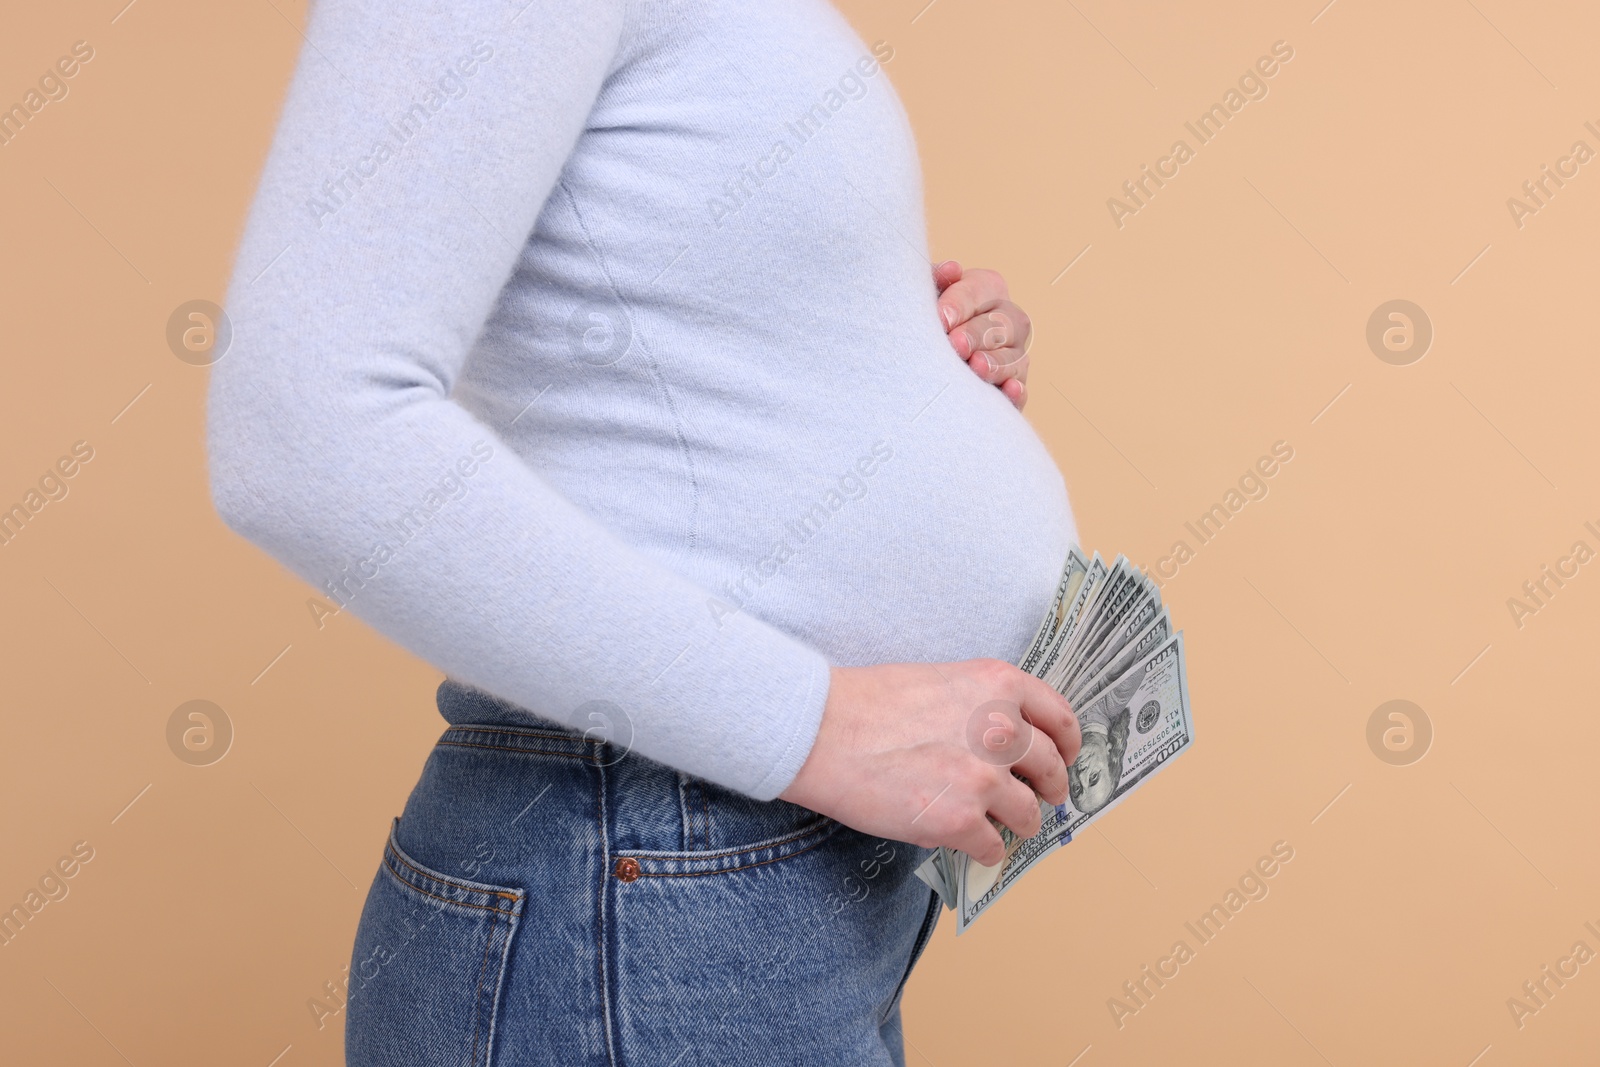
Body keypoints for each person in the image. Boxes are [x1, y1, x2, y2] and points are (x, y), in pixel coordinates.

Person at [207, 1, 1081, 1063]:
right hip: (647, 860)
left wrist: (898, 343)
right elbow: (298, 431)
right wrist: (814, 723)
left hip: (740, 880)